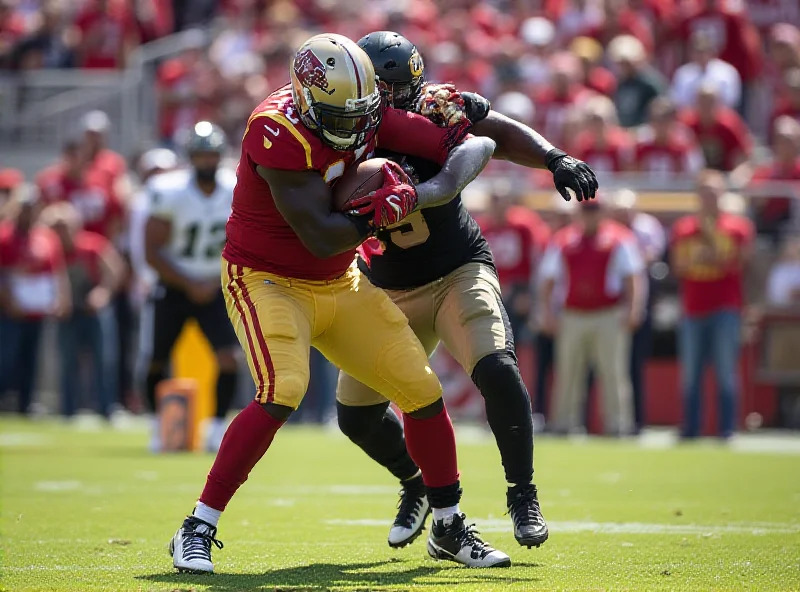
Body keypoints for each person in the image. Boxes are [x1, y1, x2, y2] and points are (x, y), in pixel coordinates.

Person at [168, 33, 506, 573]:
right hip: (268, 278)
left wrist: (430, 187)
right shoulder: (275, 129)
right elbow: (321, 236)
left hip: (339, 281)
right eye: (339, 115)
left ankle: (447, 524)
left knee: (420, 388)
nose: (355, 127)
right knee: (285, 388)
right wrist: (380, 211)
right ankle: (198, 525)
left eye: (362, 113)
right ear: (303, 97)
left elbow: (473, 145)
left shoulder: (361, 110)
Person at [333, 30, 597, 552]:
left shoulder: (434, 108)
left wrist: (553, 157)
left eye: (411, 90)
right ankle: (416, 484)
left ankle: (523, 495)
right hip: (386, 289)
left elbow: (490, 129)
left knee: (497, 368)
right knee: (356, 417)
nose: (409, 101)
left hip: (456, 269)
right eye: (395, 92)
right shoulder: (338, 127)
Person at [143, 122, 240, 453]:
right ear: (189, 157)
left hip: (216, 286)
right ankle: (159, 426)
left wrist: (214, 281)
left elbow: (246, 240)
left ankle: (215, 428)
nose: (206, 162)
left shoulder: (235, 186)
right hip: (174, 286)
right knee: (157, 359)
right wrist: (188, 282)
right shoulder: (168, 190)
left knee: (228, 359)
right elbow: (151, 250)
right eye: (200, 155)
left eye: (211, 155)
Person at [540, 198, 644, 436]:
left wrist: (634, 308)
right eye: (586, 210)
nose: (590, 215)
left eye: (595, 210)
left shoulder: (620, 238)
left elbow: (632, 278)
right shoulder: (564, 239)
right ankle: (564, 423)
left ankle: (618, 425)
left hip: (608, 313)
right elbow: (548, 279)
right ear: (579, 212)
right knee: (568, 371)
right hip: (572, 313)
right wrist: (547, 312)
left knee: (613, 371)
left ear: (603, 211)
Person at [670, 170, 754, 439]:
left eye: (714, 192)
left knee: (726, 371)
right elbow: (679, 266)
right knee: (690, 375)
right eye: (705, 193)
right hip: (693, 307)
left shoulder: (738, 228)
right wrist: (707, 257)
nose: (709, 198)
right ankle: (691, 428)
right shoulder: (684, 228)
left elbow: (740, 264)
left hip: (726, 307)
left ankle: (727, 428)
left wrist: (710, 255)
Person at [42, 202, 125, 419]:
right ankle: (67, 410)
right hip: (67, 313)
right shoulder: (49, 252)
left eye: (63, 226)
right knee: (68, 361)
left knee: (103, 360)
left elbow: (114, 270)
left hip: (93, 311)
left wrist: (102, 294)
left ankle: (107, 408)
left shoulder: (92, 245)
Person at [0, 189, 71, 415]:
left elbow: (57, 272)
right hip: (9, 311)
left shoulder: (46, 237)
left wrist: (62, 298)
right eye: (24, 209)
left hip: (36, 311)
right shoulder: (3, 236)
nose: (28, 214)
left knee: (32, 360)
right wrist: (9, 302)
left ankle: (25, 404)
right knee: (6, 358)